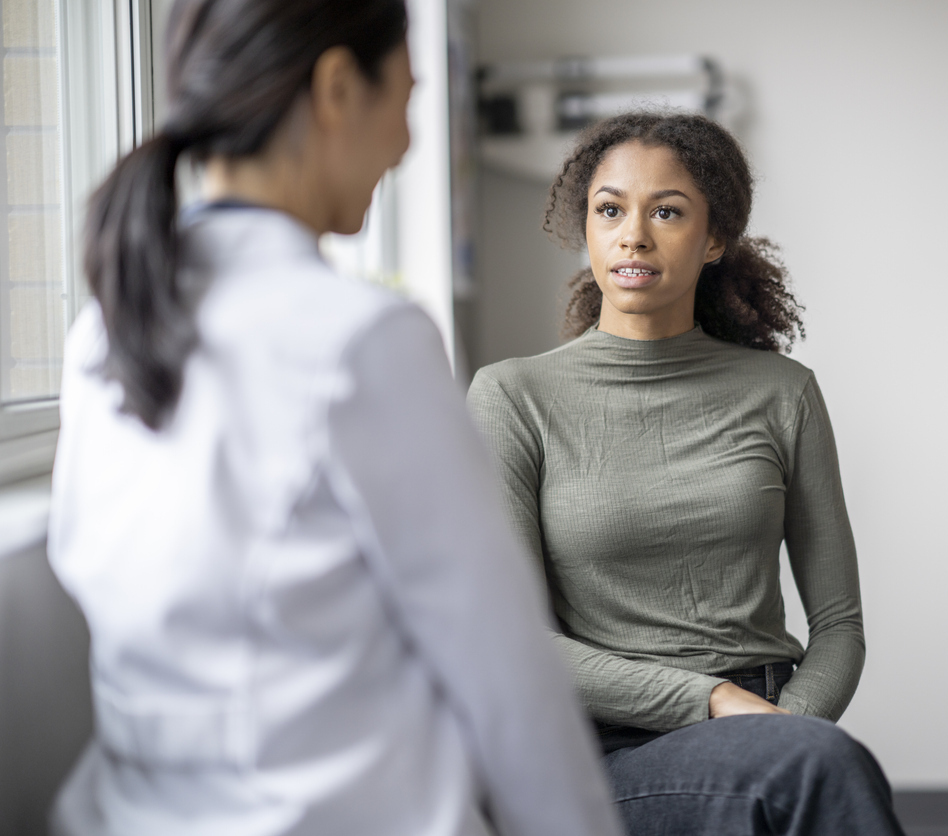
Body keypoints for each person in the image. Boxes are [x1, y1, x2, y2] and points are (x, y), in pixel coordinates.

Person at [46, 2, 623, 834]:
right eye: (408, 99)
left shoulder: (103, 329)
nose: (409, 141)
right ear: (338, 88)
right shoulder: (361, 339)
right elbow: (507, 679)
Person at [467, 111, 906, 836]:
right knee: (819, 772)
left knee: (812, 767)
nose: (632, 234)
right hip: (607, 748)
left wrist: (780, 727)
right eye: (609, 210)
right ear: (586, 227)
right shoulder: (513, 397)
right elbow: (512, 638)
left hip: (770, 719)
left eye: (666, 211)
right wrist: (714, 705)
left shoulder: (783, 393)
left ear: (714, 239)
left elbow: (838, 626)